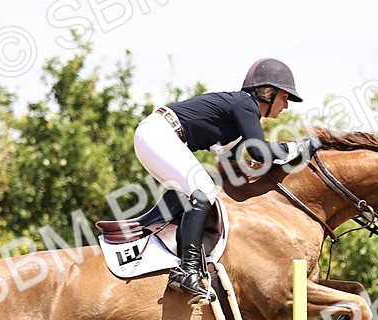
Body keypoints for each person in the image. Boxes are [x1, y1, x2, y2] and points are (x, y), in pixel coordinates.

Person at [133, 57, 317, 304]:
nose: (286, 105)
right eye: (284, 98)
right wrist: (295, 149)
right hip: (159, 134)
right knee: (203, 190)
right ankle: (187, 271)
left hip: (155, 136)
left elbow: (231, 165)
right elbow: (260, 152)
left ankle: (159, 244)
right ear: (267, 93)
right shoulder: (246, 105)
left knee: (199, 188)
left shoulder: (243, 117)